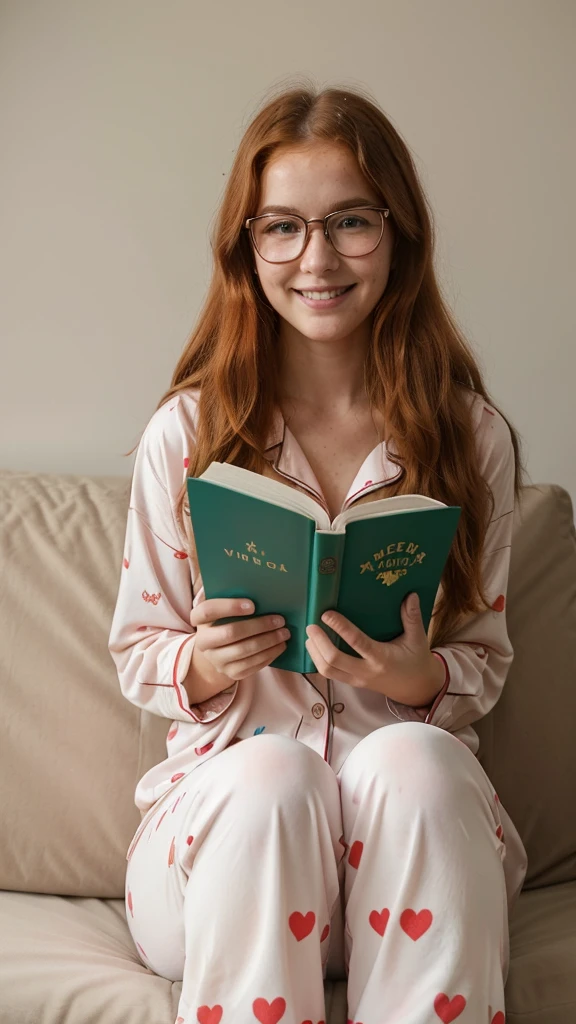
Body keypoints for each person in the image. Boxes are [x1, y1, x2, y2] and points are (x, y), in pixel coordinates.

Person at [108, 81, 528, 1024]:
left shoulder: (470, 438)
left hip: (417, 862)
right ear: (247, 246)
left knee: (413, 758)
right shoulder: (189, 435)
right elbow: (140, 650)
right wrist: (200, 662)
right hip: (223, 862)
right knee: (272, 774)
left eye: (350, 221)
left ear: (400, 232)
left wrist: (424, 680)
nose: (317, 258)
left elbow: (484, 663)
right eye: (283, 228)